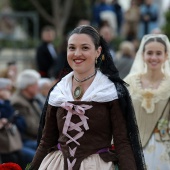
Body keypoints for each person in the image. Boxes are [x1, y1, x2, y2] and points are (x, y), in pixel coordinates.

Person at [29, 25, 146, 170]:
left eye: (85, 48)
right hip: (57, 165)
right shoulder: (58, 90)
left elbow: (122, 142)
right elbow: (46, 141)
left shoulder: (110, 90)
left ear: (98, 52)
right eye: (72, 48)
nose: (77, 53)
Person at [124, 34, 170, 169]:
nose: (154, 57)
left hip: (164, 150)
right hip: (134, 147)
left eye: (158, 53)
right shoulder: (129, 82)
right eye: (149, 53)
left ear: (166, 55)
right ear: (142, 55)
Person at [11, 69, 42, 157]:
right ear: (28, 86)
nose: (38, 87)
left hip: (36, 138)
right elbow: (31, 128)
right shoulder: (18, 102)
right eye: (36, 84)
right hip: (26, 140)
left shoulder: (33, 99)